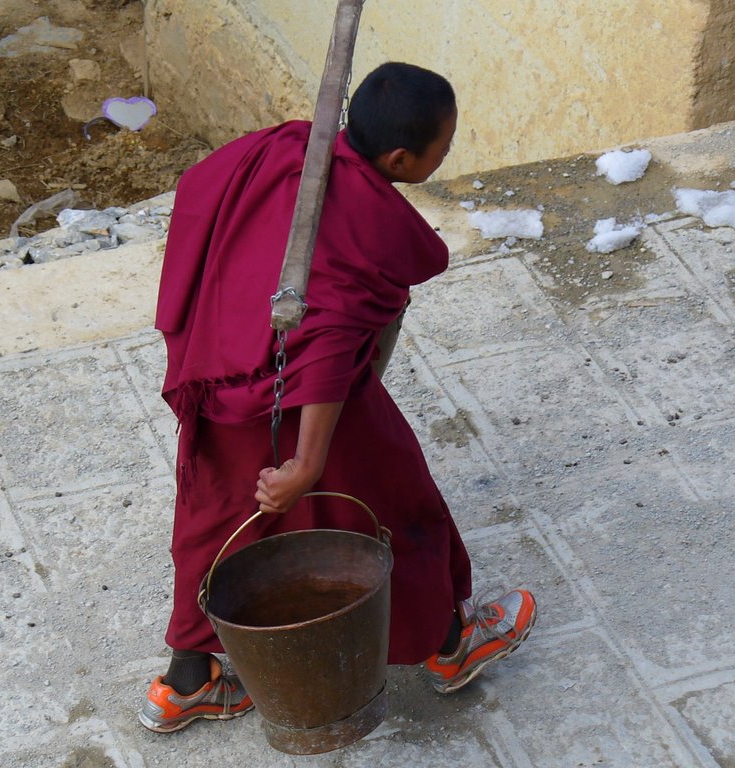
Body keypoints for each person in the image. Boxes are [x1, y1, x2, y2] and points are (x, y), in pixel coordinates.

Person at [140, 62, 536, 734]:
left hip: (224, 383)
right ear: (402, 159)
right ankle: (449, 647)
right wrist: (307, 463)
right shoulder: (364, 224)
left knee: (218, 518)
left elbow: (201, 188)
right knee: (393, 505)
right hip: (309, 406)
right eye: (445, 145)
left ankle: (184, 684)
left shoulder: (286, 148)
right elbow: (325, 349)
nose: (448, 152)